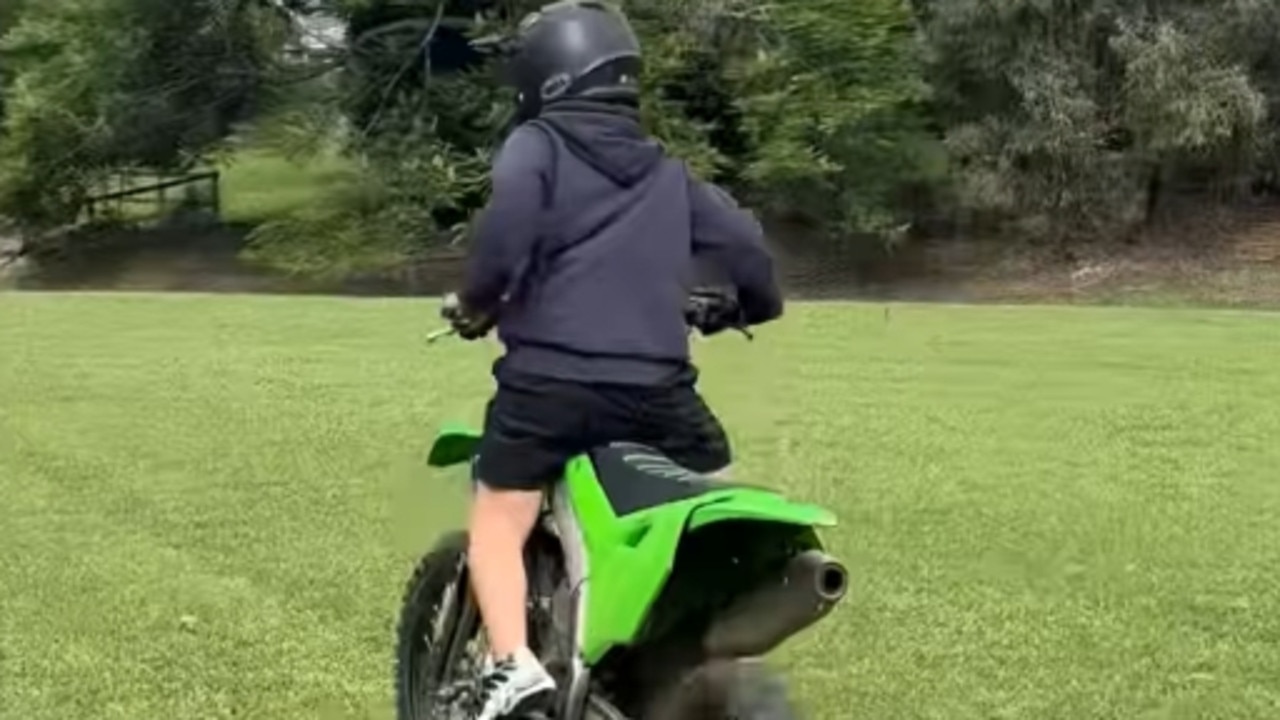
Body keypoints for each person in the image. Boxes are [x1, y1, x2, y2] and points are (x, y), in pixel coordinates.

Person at [441, 1, 783, 717]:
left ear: (546, 76)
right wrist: (743, 308)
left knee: (497, 521)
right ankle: (665, 650)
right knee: (698, 513)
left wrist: (476, 303)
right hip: (661, 395)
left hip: (549, 387)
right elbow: (749, 250)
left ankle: (513, 666)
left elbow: (504, 240)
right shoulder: (667, 173)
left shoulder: (536, 146)